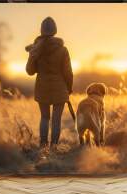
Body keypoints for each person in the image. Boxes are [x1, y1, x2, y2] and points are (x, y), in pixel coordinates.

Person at [26, 17, 73, 152]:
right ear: (55, 30)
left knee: (45, 118)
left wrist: (32, 57)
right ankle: (54, 147)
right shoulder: (63, 50)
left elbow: (30, 71)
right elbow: (68, 72)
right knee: (56, 120)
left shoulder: (35, 49)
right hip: (60, 88)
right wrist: (69, 89)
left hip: (42, 88)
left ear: (42, 30)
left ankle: (43, 146)